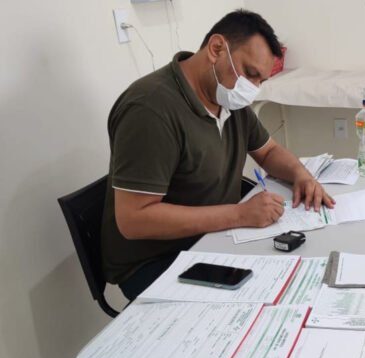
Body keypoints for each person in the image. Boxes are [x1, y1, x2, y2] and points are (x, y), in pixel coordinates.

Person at [101, 10, 334, 300]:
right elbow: (134, 219)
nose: (252, 89)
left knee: (302, 280)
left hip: (214, 237)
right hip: (158, 260)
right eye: (250, 74)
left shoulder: (226, 98)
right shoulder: (150, 110)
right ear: (216, 49)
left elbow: (269, 150)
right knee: (267, 302)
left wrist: (301, 174)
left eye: (261, 80)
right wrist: (238, 214)